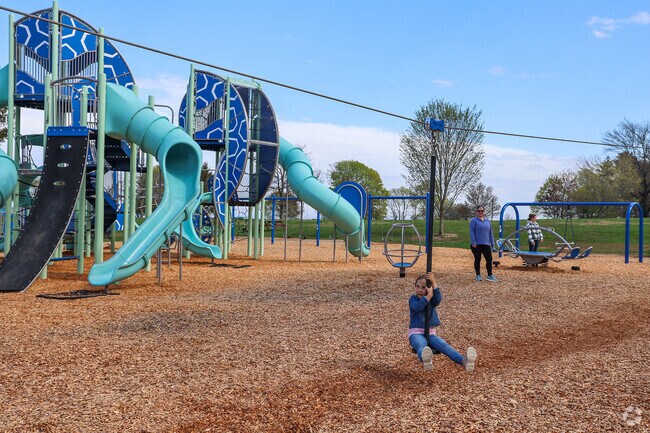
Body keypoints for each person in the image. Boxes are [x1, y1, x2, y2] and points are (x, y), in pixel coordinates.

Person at [408, 272, 477, 372]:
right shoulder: (413, 299)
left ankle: (464, 361)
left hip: (430, 333)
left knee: (445, 346)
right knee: (421, 344)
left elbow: (438, 299)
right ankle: (426, 361)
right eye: (417, 286)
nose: (420, 290)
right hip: (415, 333)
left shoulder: (431, 300)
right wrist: (428, 296)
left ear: (428, 288)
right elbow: (418, 307)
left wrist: (434, 283)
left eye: (423, 287)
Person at [469, 206, 497, 282]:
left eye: (482, 211)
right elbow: (471, 232)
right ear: (476, 212)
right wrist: (473, 242)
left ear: (484, 212)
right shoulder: (473, 221)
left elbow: (490, 233)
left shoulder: (487, 221)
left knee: (489, 259)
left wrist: (492, 243)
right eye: (479, 211)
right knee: (477, 259)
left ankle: (490, 275)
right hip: (477, 244)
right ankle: (478, 275)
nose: (481, 212)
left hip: (486, 244)